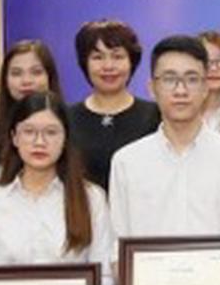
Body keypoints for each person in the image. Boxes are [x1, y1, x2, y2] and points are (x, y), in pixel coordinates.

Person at [114, 36, 220, 285]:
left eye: (192, 79)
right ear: (151, 88)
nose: (181, 90)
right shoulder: (127, 160)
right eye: (169, 79)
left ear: (206, 87)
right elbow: (117, 242)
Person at [0, 92, 116, 285]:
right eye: (29, 131)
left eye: (51, 132)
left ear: (65, 138)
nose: (39, 142)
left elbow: (105, 277)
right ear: (14, 137)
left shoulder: (91, 198)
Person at [68, 19, 161, 189]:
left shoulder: (157, 115)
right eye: (98, 57)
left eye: (117, 57)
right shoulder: (66, 118)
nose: (108, 66)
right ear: (84, 63)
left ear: (132, 62)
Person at [0, 40, 62, 188]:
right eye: (16, 73)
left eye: (36, 72)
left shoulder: (71, 127)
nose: (26, 81)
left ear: (49, 77)